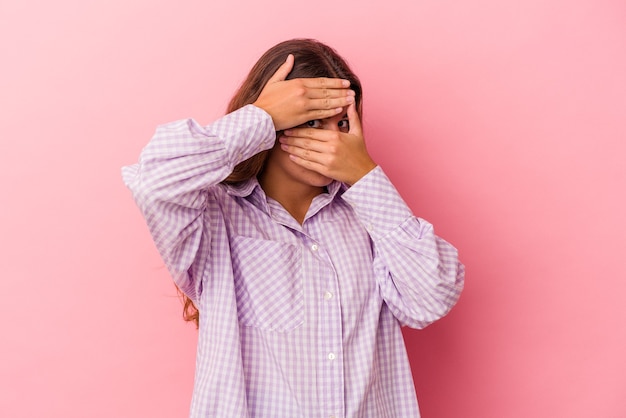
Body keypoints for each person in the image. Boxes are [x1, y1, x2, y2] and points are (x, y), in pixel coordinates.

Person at [122, 38, 464, 418]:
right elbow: (153, 181)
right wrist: (261, 117)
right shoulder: (214, 214)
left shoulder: (369, 218)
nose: (331, 140)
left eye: (342, 123)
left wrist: (365, 176)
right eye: (312, 120)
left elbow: (430, 298)